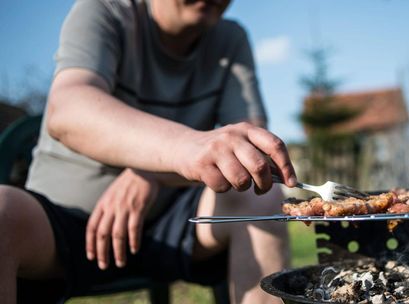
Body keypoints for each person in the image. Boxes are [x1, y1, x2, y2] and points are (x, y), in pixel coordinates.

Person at [0, 0, 297, 303]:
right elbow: (68, 109)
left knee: (260, 196)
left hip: (172, 222)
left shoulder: (230, 39)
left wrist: (151, 173)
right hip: (62, 222)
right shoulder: (105, 11)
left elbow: (251, 152)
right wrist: (183, 147)